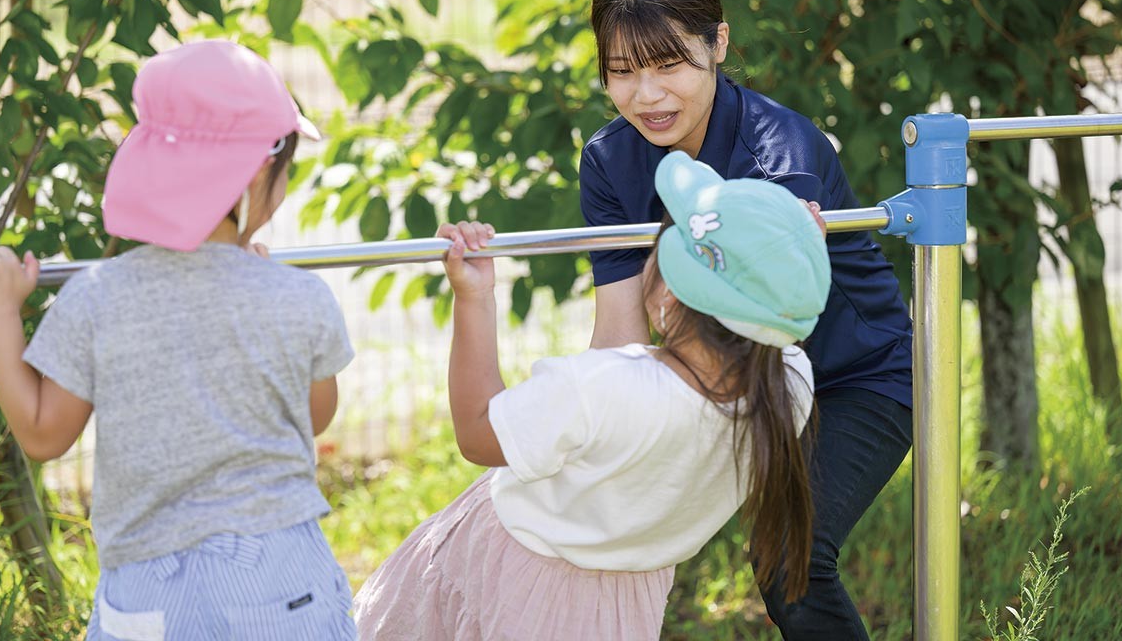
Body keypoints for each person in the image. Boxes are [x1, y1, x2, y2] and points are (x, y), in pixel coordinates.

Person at [0, 40, 357, 640]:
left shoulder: (97, 297)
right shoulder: (296, 298)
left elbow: (42, 434)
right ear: (256, 172)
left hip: (148, 593)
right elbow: (315, 416)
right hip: (280, 582)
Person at [353, 151, 832, 640]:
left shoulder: (603, 387)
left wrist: (473, 297)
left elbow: (478, 434)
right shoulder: (788, 387)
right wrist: (790, 254)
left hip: (520, 573)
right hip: (628, 602)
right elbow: (775, 324)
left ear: (667, 295)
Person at [580, 0, 914, 639]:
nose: (647, 94)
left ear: (718, 43)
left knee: (788, 559)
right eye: (622, 71)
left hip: (856, 375)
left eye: (669, 63)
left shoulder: (780, 155)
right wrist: (589, 435)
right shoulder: (610, 160)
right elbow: (617, 333)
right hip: (725, 377)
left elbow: (760, 332)